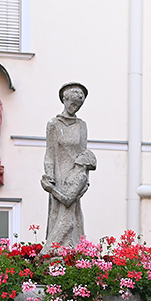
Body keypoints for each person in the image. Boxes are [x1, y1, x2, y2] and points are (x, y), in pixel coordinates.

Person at [42, 82, 93, 248]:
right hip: (59, 175)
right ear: (64, 100)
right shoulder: (54, 124)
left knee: (72, 215)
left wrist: (85, 181)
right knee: (60, 214)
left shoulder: (81, 125)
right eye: (73, 103)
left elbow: (84, 154)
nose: (75, 108)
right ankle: (53, 252)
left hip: (76, 175)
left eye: (79, 105)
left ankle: (73, 251)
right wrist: (49, 176)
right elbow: (49, 153)